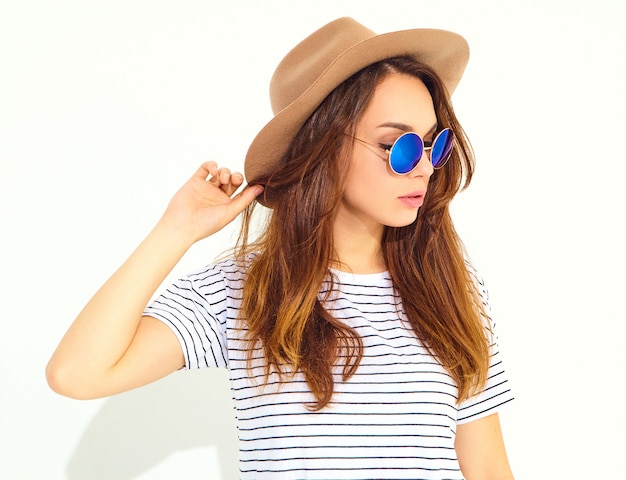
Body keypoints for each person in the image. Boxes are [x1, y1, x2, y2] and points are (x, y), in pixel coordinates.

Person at [46, 17, 515, 480]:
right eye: (399, 145)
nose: (424, 169)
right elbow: (76, 374)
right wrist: (177, 230)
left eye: (435, 145)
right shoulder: (244, 289)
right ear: (323, 148)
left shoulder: (454, 289)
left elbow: (490, 468)